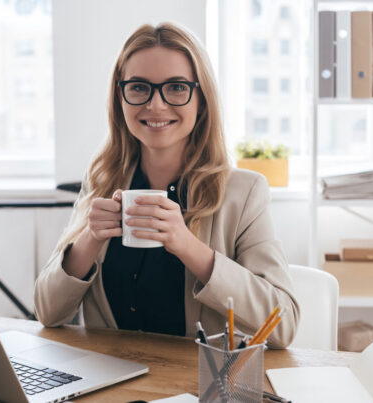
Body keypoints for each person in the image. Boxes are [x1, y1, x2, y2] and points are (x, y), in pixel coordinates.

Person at [34, 22, 299, 348]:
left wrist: (188, 246)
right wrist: (90, 237)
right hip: (110, 381)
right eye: (139, 87)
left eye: (176, 87)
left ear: (201, 99)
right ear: (121, 97)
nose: (156, 105)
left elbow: (283, 326)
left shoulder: (243, 194)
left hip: (194, 387)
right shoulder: (102, 179)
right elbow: (47, 312)